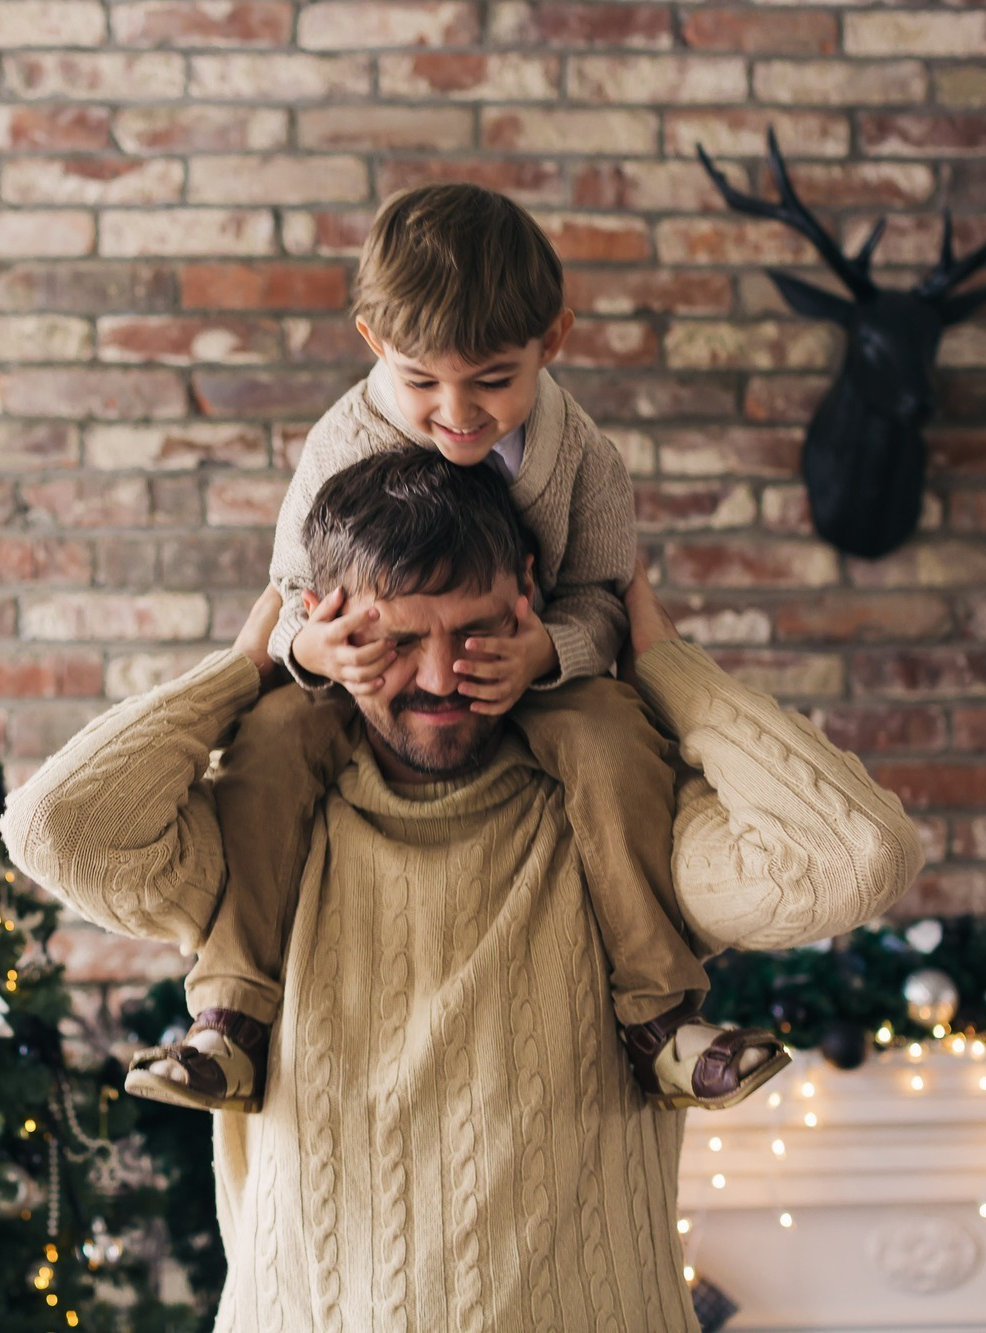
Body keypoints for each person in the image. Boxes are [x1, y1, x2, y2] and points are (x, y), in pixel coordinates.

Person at [1, 447, 920, 1328]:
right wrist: (248, 667)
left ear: (528, 596)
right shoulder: (257, 835)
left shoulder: (626, 823)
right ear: (327, 624)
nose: (441, 677)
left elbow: (855, 856)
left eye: (476, 631)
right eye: (394, 640)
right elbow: (56, 827)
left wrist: (664, 666)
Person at [124, 181, 784, 1117]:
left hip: (530, 673)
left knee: (612, 736)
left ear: (552, 341)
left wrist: (549, 651)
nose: (459, 413)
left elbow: (606, 597)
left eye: (492, 381)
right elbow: (286, 599)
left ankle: (659, 1019)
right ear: (372, 344)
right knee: (268, 743)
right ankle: (229, 1020)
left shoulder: (585, 457)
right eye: (423, 381)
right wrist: (318, 653)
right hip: (366, 680)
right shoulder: (339, 442)